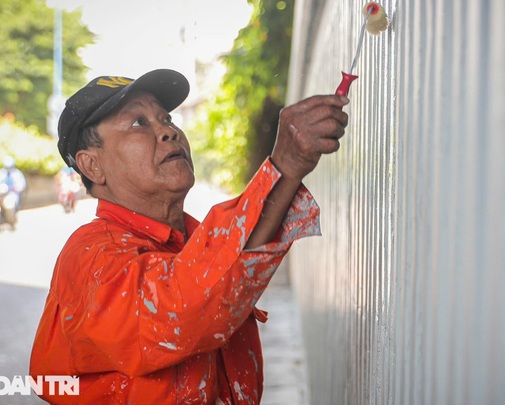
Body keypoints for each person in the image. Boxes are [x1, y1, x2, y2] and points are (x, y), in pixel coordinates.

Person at [29, 69, 348, 404]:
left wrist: (286, 168)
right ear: (92, 166)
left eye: (166, 118)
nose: (168, 130)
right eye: (139, 123)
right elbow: (186, 305)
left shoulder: (191, 243)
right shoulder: (91, 256)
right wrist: (284, 164)